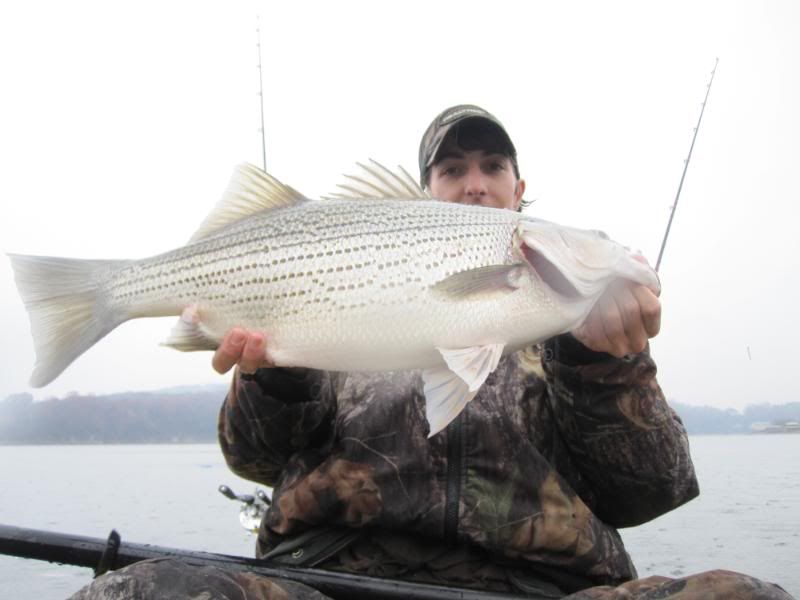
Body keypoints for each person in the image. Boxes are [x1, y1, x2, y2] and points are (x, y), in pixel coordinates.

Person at [72, 106, 793, 599]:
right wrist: (277, 378)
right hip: (329, 578)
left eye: (491, 165)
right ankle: (106, 295)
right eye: (451, 170)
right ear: (424, 193)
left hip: (542, 586)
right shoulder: (336, 309)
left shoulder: (576, 331)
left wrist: (607, 367)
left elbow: (651, 493)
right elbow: (255, 459)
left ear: (520, 193)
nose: (473, 182)